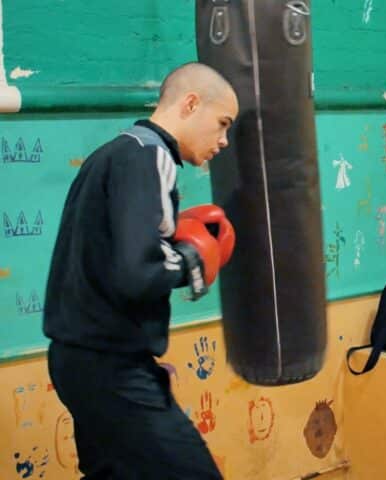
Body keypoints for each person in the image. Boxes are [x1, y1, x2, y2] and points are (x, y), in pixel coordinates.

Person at [42, 62, 239, 479]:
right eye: (222, 123)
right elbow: (138, 271)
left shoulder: (112, 154)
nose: (223, 140)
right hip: (109, 366)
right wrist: (191, 259)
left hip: (79, 357)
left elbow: (114, 261)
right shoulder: (152, 156)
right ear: (190, 103)